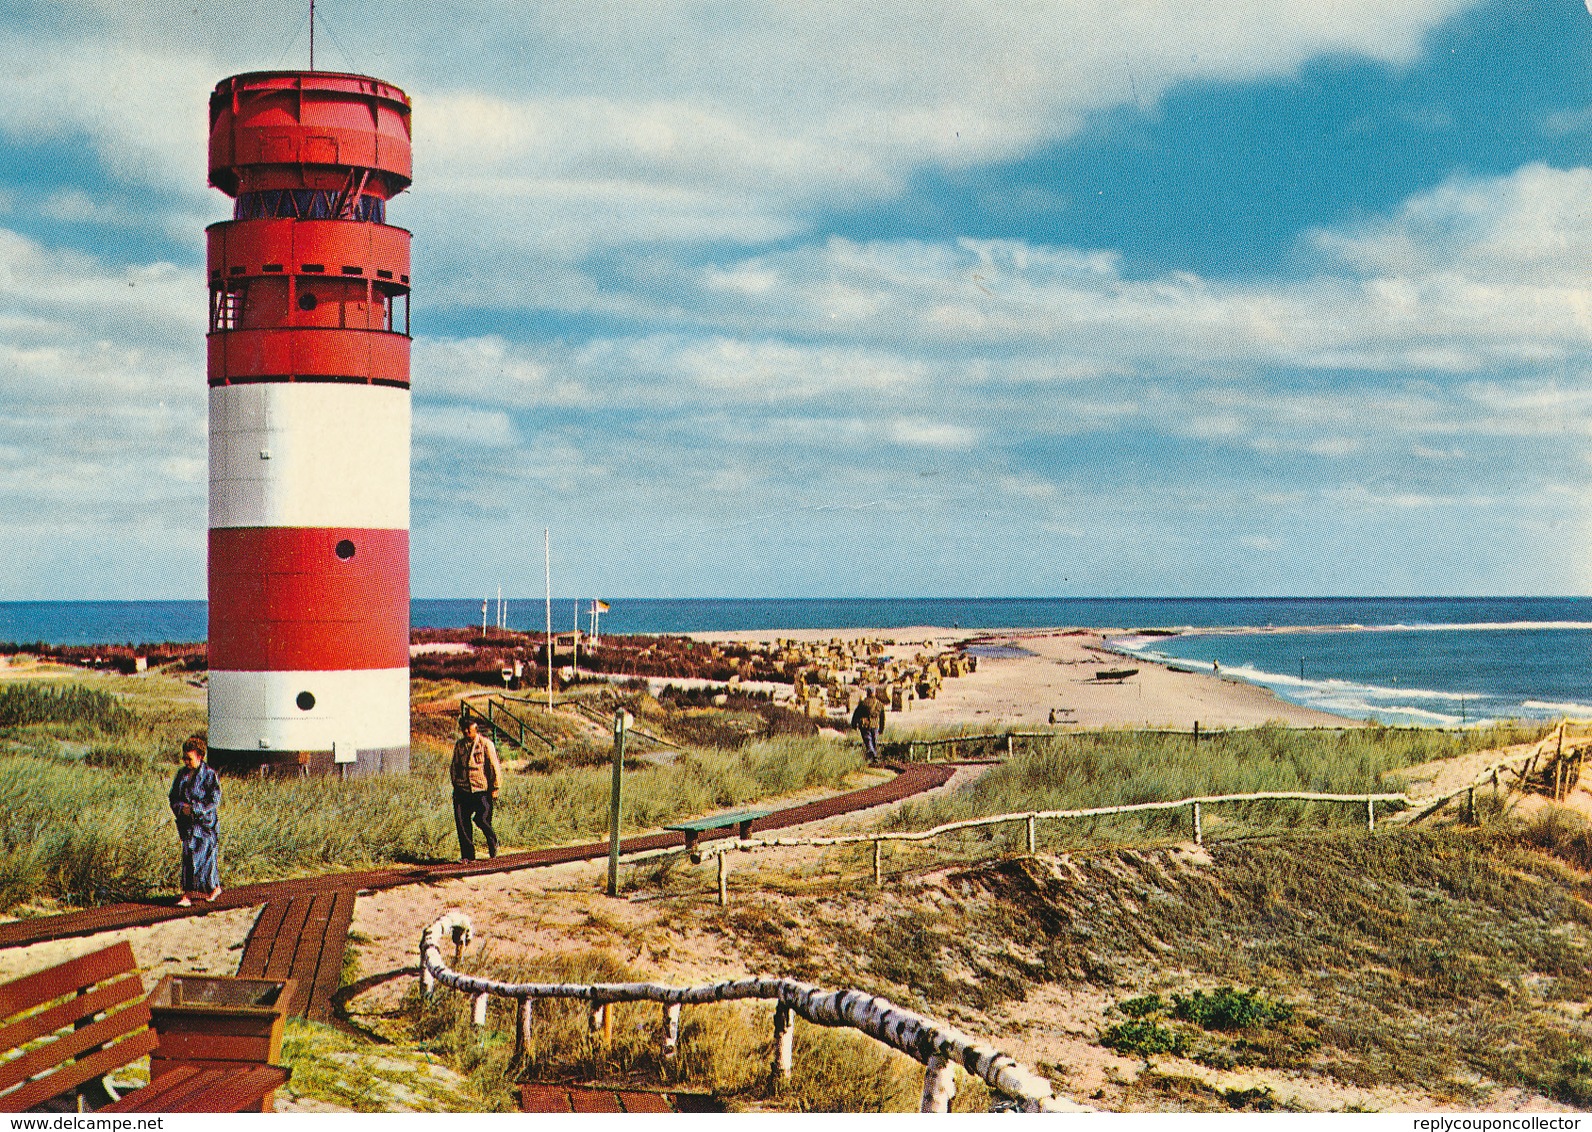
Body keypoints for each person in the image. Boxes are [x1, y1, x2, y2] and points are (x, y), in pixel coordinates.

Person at [169, 735, 221, 906]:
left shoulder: (209, 775)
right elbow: (173, 796)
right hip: (187, 824)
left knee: (206, 858)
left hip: (205, 825)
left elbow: (213, 800)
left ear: (200, 757)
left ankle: (213, 888)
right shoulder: (182, 774)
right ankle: (188, 894)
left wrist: (195, 809)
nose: (186, 761)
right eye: (184, 758)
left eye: (189, 758)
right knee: (188, 858)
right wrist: (180, 808)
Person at [451, 717, 503, 860]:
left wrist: (495, 787)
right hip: (462, 790)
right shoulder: (460, 745)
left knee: (482, 819)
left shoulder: (485, 744)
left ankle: (493, 841)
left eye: (469, 728)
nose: (466, 731)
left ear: (476, 728)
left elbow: (494, 766)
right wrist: (455, 784)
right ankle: (468, 856)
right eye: (464, 729)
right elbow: (454, 765)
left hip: (481, 789)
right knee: (462, 823)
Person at [851, 687, 887, 762]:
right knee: (874, 741)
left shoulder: (863, 703)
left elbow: (856, 714)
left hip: (865, 725)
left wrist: (854, 724)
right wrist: (881, 728)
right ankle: (874, 756)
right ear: (874, 693)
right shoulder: (879, 704)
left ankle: (872, 754)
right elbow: (882, 717)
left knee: (868, 741)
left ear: (867, 693)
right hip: (875, 725)